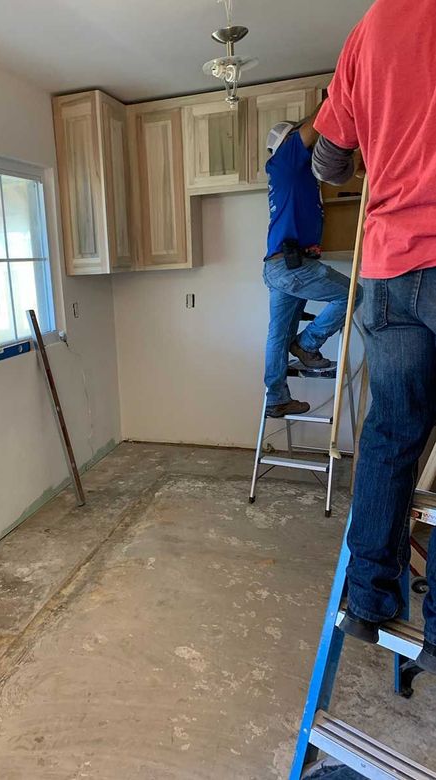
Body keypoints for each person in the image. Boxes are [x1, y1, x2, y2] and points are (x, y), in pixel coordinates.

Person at [312, 0, 436, 674]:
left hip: (389, 264)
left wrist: (377, 156)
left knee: (389, 434)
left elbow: (329, 163)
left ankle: (367, 600)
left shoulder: (371, 26)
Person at [263, 107, 363, 418]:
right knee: (353, 294)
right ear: (290, 141)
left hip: (282, 266)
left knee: (278, 336)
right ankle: (307, 344)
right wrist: (338, 97)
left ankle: (276, 398)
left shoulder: (299, 173)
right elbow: (318, 126)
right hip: (290, 266)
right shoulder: (285, 159)